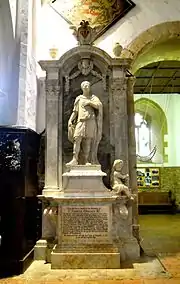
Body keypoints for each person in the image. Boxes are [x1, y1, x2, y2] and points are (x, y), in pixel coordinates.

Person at [67, 81, 103, 166]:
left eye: (88, 85)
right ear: (82, 87)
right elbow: (75, 112)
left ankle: (86, 160)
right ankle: (75, 159)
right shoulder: (79, 98)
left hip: (90, 121)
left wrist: (90, 102)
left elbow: (99, 106)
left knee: (87, 141)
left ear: (90, 87)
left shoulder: (93, 98)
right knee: (77, 139)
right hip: (81, 121)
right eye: (84, 85)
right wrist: (70, 120)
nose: (86, 86)